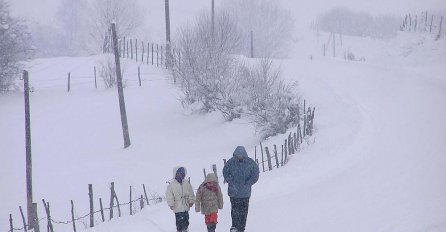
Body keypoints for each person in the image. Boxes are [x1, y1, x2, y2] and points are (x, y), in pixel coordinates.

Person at [223, 146, 260, 232]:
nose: (238, 157)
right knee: (235, 212)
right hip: (234, 193)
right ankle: (235, 227)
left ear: (244, 154)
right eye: (237, 155)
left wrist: (248, 183)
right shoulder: (231, 162)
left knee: (243, 213)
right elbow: (225, 172)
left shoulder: (250, 163)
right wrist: (231, 181)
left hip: (245, 194)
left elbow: (255, 175)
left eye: (240, 155)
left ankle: (241, 228)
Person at [166, 167, 195, 232]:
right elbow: (169, 195)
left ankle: (185, 230)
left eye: (182, 173)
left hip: (185, 206)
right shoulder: (171, 186)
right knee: (179, 223)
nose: (181, 175)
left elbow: (191, 192)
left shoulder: (187, 183)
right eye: (179, 174)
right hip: (177, 208)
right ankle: (179, 230)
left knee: (186, 222)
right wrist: (171, 203)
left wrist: (191, 201)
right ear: (175, 174)